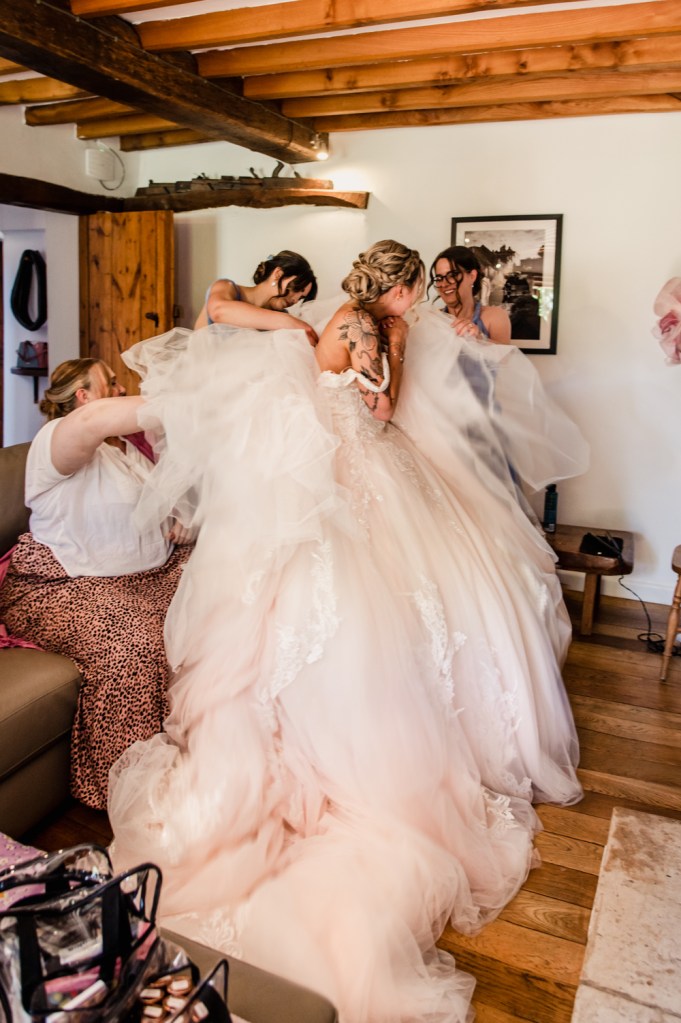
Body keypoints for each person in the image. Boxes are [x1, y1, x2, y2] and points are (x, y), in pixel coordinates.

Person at [108, 241, 581, 1023]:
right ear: (397, 288)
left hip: (335, 468)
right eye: (414, 287)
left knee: (337, 609)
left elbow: (333, 382)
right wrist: (388, 381)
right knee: (386, 603)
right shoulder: (373, 330)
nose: (416, 299)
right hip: (358, 468)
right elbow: (381, 407)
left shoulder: (338, 322)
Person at [0, 358, 192, 810]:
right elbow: (95, 420)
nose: (122, 389)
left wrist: (183, 523)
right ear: (83, 396)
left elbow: (168, 510)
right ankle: (129, 790)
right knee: (135, 642)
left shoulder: (125, 453)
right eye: (111, 383)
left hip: (147, 577)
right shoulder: (57, 442)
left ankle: (211, 748)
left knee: (227, 593)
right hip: (62, 584)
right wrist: (198, 398)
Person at [193, 249, 319, 346]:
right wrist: (288, 322)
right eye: (296, 289)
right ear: (278, 274)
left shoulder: (282, 315)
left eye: (301, 298)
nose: (295, 300)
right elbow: (219, 312)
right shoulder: (226, 287)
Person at [430, 245, 511, 343]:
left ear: (472, 276)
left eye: (452, 275)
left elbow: (504, 352)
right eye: (439, 278)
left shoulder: (495, 317)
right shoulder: (433, 321)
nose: (444, 284)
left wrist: (479, 339)